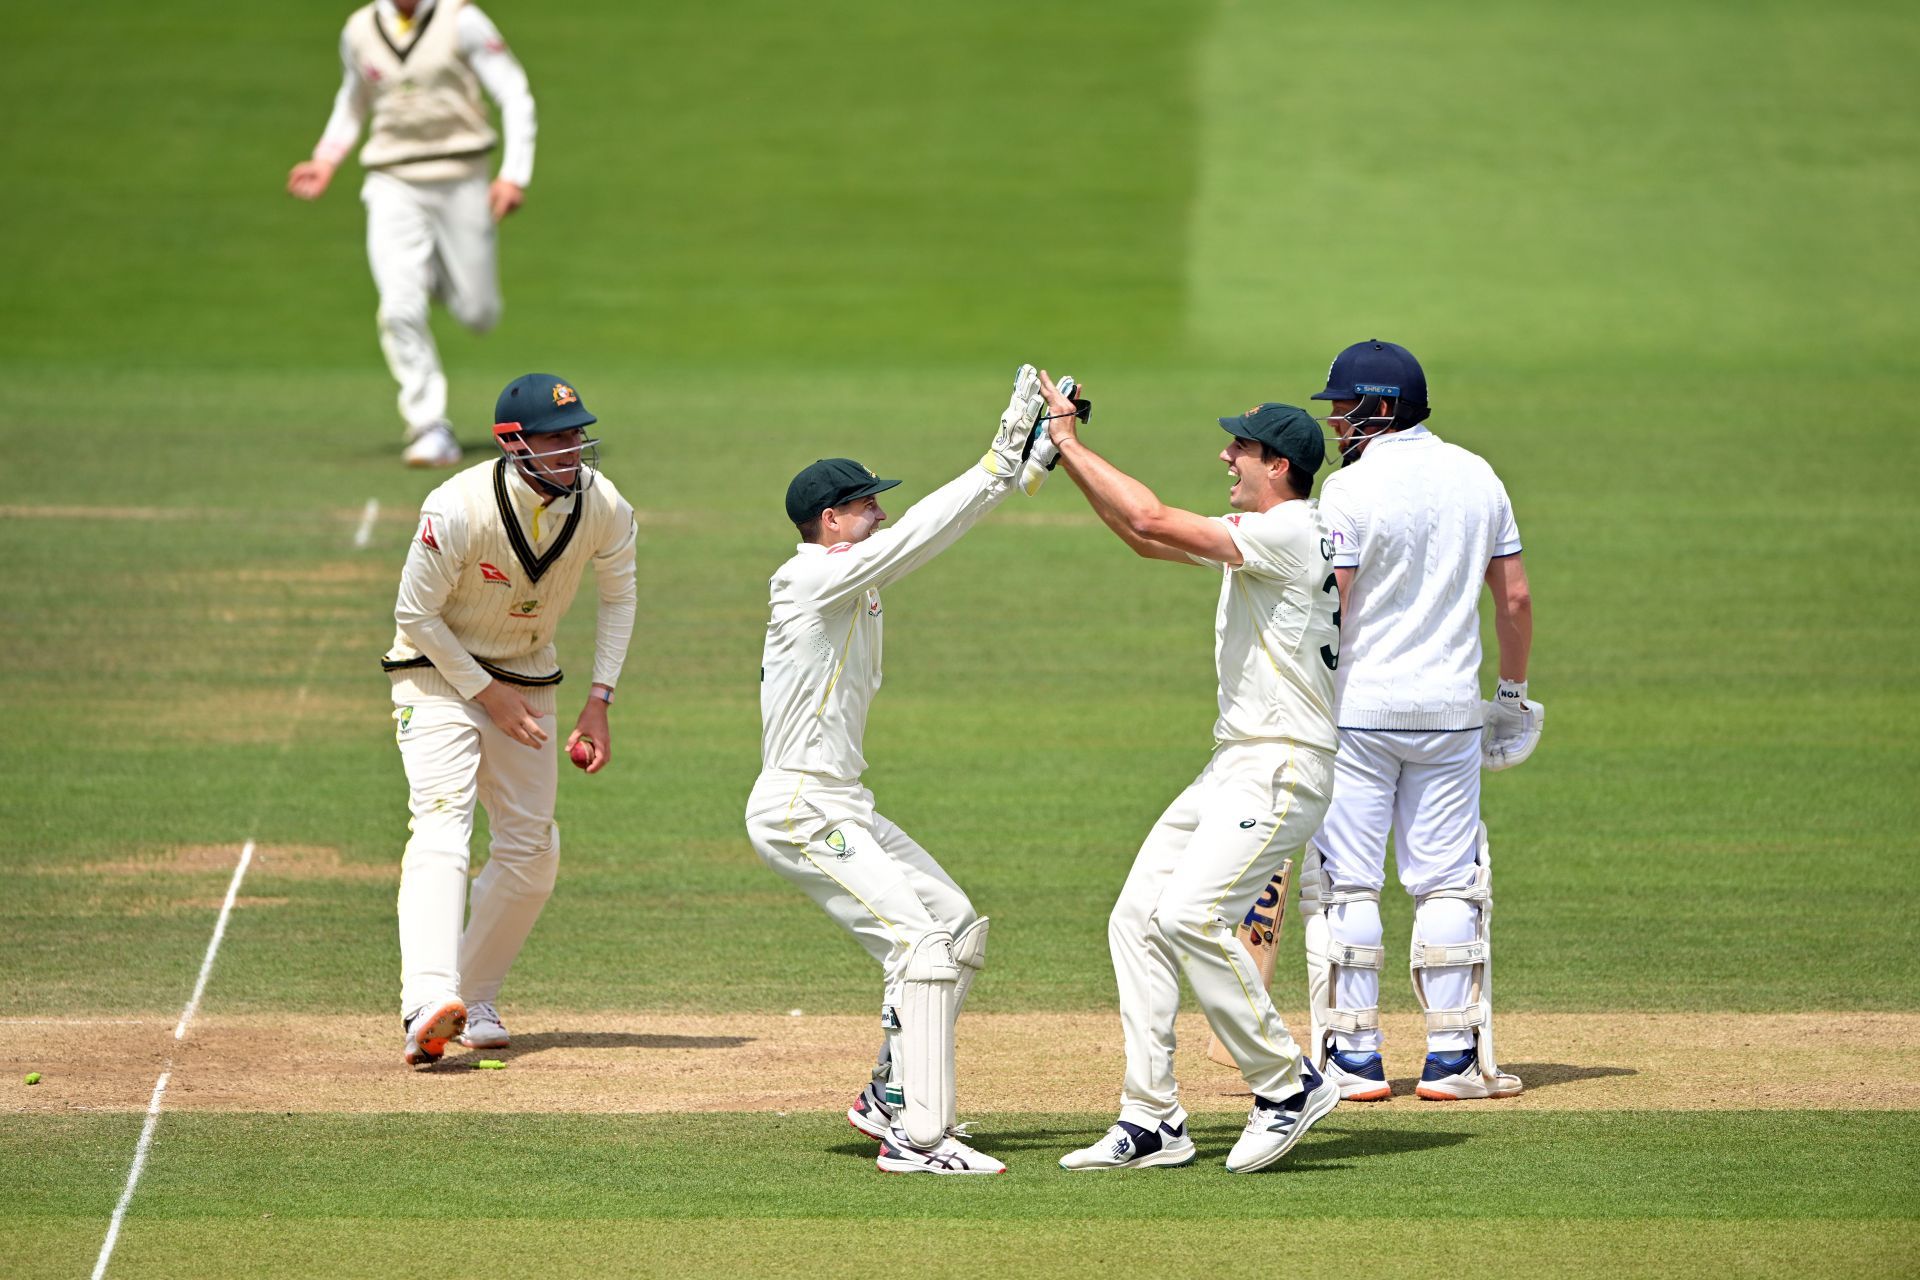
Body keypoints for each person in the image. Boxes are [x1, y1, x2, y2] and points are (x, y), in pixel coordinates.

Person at [743, 366, 1051, 1176]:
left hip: (841, 798)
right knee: (918, 945)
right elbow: (918, 534)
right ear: (830, 520)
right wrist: (994, 461)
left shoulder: (850, 577)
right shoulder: (812, 578)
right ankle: (919, 1137)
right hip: (800, 806)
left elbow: (929, 532)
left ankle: (889, 1090)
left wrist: (1033, 460)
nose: (880, 514)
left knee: (951, 923)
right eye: (867, 505)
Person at [1044, 376, 1343, 1174]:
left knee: (1187, 916)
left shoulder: (1287, 533)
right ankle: (1152, 1120)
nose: (1226, 455)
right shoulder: (1262, 530)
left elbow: (1147, 515)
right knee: (1136, 918)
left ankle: (1287, 1083)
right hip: (1235, 763)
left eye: (1239, 448)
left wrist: (1070, 440)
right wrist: (1061, 452)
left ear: (1278, 465)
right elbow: (1143, 539)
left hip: (1281, 763)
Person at [1295, 339, 1540, 1102]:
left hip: (1361, 713)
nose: (1335, 420)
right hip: (1449, 715)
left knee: (1349, 889)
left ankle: (1353, 1060)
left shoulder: (1349, 490)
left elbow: (1326, 599)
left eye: (1344, 406)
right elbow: (1516, 600)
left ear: (1382, 407)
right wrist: (1511, 694)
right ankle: (1454, 1058)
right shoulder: (1479, 476)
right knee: (1446, 885)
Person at [383, 373, 636, 1065]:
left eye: (577, 434)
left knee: (533, 850)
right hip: (436, 673)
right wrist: (484, 693)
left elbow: (619, 598)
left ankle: (474, 994)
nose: (573, 449)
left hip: (529, 674)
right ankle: (427, 998)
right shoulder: (457, 506)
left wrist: (600, 700)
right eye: (557, 438)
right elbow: (414, 616)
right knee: (442, 819)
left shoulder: (605, 506)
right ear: (513, 443)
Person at [287, 0, 536, 468]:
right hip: (391, 178)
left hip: (461, 174)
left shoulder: (461, 20)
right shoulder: (360, 28)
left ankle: (437, 271)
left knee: (478, 313)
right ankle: (429, 425)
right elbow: (352, 98)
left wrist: (514, 174)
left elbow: (514, 91)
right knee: (398, 305)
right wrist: (325, 159)